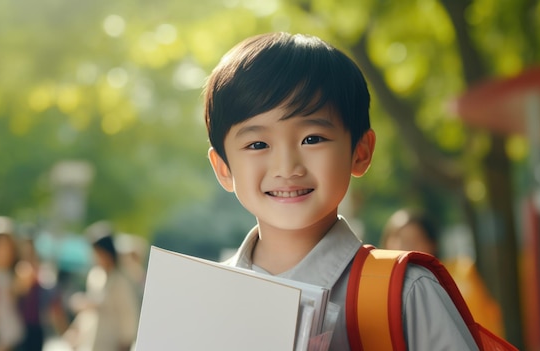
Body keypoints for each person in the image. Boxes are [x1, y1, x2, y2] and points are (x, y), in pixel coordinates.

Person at [204, 32, 479, 350]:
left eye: (312, 139)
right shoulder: (201, 300)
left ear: (360, 151)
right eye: (257, 144)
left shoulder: (404, 291)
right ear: (224, 168)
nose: (287, 167)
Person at [381, 208, 506, 338]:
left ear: (432, 244)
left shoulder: (461, 275)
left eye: (415, 240)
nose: (406, 248)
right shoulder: (379, 290)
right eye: (401, 240)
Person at [63, 221, 139, 351]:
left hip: (111, 343)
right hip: (91, 340)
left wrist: (125, 343)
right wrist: (75, 330)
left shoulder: (121, 281)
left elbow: (128, 315)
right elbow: (90, 311)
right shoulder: (95, 275)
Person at [0, 217, 24, 351]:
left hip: (11, 336)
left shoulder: (17, 274)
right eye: (0, 246)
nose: (3, 251)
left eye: (7, 247)